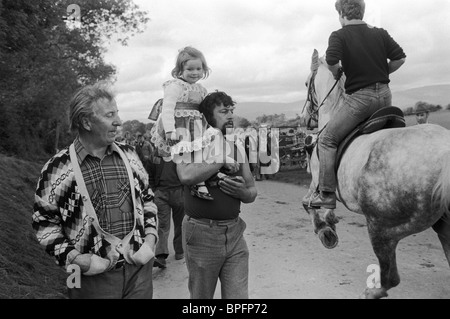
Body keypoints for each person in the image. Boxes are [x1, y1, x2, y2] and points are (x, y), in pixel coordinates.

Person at [32, 83, 159, 299]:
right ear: (86, 122)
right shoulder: (57, 169)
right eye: (110, 115)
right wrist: (75, 258)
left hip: (139, 272)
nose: (118, 121)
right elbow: (44, 224)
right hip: (88, 279)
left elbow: (148, 200)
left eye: (117, 113)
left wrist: (150, 240)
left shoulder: (129, 155)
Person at [302, 0, 406, 209]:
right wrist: (382, 72)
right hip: (386, 97)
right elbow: (400, 59)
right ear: (362, 11)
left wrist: (336, 72)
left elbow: (331, 61)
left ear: (341, 13)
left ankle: (327, 194)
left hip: (360, 99)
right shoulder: (380, 33)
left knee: (327, 140)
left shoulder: (339, 35)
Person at [176, 91, 258, 299]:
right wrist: (220, 160)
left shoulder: (237, 146)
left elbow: (251, 191)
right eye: (223, 111)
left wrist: (243, 192)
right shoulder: (191, 144)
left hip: (235, 233)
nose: (230, 115)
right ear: (207, 117)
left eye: (231, 110)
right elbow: (185, 175)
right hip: (202, 233)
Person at [149, 46, 227, 201]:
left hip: (196, 125)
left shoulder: (201, 89)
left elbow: (205, 109)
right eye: (190, 69)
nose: (195, 72)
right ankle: (197, 183)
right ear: (180, 70)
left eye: (199, 68)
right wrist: (170, 130)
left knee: (202, 150)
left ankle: (209, 175)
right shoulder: (175, 86)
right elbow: (168, 108)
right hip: (180, 126)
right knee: (186, 155)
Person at [148, 157, 185, 269]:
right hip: (161, 194)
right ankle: (161, 255)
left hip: (178, 192)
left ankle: (179, 250)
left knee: (179, 223)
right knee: (163, 224)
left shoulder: (180, 153)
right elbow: (149, 173)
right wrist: (155, 190)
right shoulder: (156, 155)